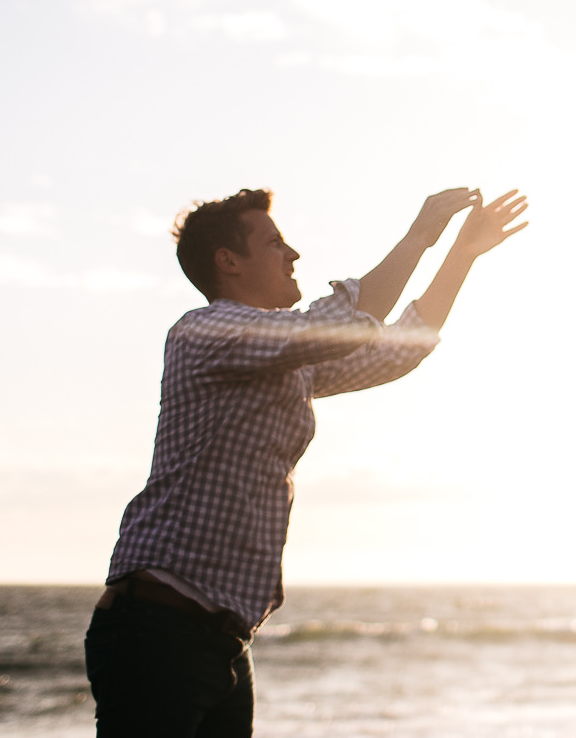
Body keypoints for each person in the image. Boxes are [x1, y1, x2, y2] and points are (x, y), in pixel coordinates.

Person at [85, 184, 528, 737]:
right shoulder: (204, 332)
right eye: (274, 243)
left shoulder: (290, 364)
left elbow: (399, 349)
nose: (293, 255)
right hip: (158, 627)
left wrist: (461, 255)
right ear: (229, 263)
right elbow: (349, 314)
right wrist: (420, 237)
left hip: (222, 638)